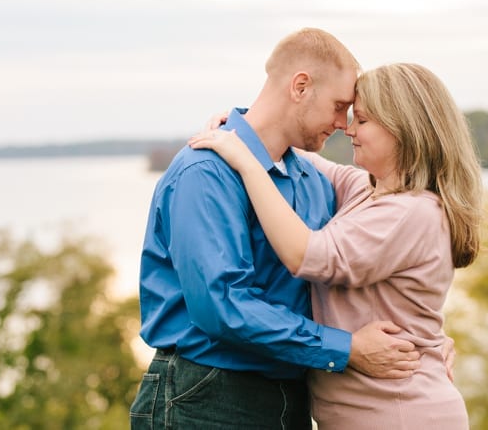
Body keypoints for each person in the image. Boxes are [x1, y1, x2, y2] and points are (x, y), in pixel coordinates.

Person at [130, 29, 424, 430]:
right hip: (207, 393)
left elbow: (350, 274)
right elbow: (222, 307)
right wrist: (347, 348)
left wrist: (426, 344)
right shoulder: (205, 172)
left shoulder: (314, 182)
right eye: (340, 107)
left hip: (293, 394)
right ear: (300, 87)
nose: (343, 124)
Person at [190, 62, 483, 429]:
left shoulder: (412, 212)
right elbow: (305, 159)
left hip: (399, 413)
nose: (348, 129)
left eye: (361, 120)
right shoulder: (367, 190)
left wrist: (245, 163)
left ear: (403, 129)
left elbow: (305, 255)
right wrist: (244, 130)